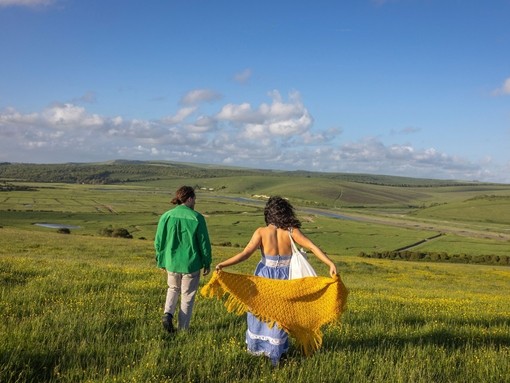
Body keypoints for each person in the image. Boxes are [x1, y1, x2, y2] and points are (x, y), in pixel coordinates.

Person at [215, 196, 337, 365]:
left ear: (268, 214)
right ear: (285, 212)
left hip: (265, 278)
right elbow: (312, 247)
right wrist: (330, 263)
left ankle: (260, 349)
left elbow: (245, 254)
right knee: (281, 315)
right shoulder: (291, 231)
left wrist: (223, 264)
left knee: (261, 311)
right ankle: (277, 353)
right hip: (286, 279)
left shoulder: (261, 232)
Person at [155, 186, 211, 333]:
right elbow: (204, 243)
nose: (195, 202)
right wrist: (207, 262)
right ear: (190, 198)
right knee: (187, 295)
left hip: (171, 262)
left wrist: (161, 259)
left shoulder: (166, 216)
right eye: (195, 199)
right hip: (191, 263)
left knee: (173, 289)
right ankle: (183, 329)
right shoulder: (197, 217)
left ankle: (168, 314)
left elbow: (159, 241)